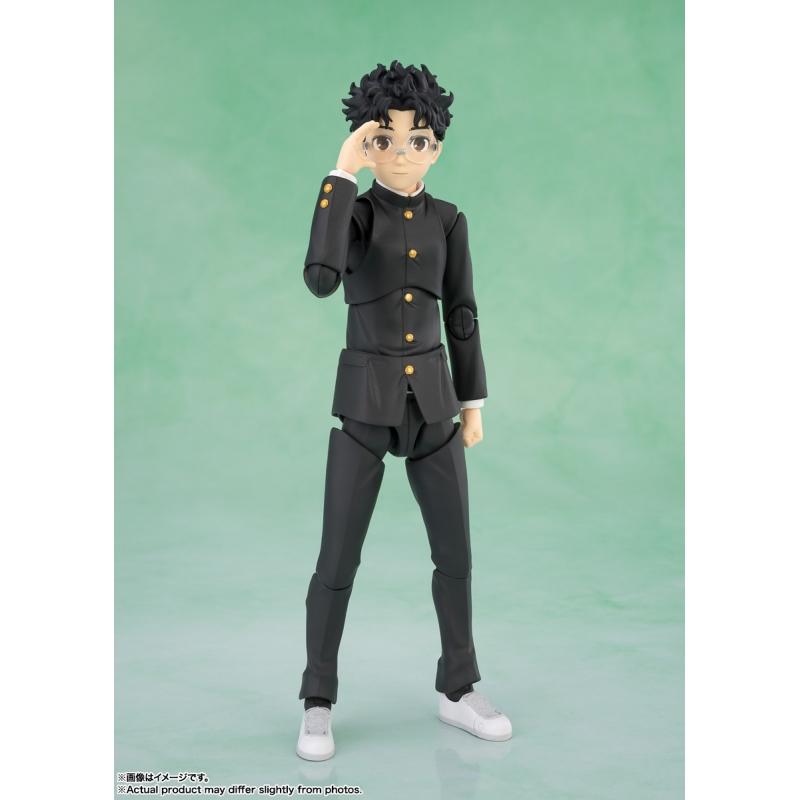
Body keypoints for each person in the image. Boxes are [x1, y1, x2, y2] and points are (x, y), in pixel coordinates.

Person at [296, 60, 512, 761]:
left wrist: (472, 402)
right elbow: (320, 278)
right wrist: (340, 173)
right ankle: (318, 698)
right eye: (382, 140)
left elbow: (463, 315)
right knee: (338, 555)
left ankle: (459, 686)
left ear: (436, 146)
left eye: (416, 140)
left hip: (435, 408)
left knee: (455, 553)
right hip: (364, 407)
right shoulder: (355, 213)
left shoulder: (449, 220)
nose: (401, 154)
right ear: (367, 143)